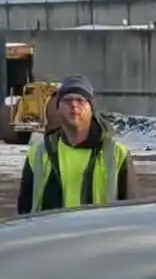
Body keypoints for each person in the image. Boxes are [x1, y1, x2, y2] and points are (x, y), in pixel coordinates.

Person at [15, 76, 131, 215]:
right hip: (51, 235)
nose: (74, 105)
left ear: (91, 108)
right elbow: (24, 209)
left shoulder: (117, 154)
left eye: (80, 100)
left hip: (99, 234)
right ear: (58, 107)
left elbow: (131, 210)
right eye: (67, 100)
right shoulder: (39, 153)